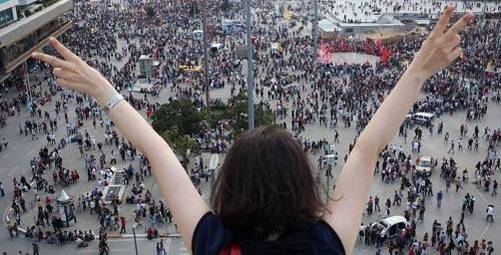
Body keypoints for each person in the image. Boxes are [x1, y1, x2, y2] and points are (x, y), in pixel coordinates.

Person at [32, 6, 474, 255]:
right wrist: (418, 70)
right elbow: (366, 150)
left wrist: (103, 89)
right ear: (302, 182)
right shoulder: (322, 245)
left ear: (230, 183)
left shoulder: (215, 244)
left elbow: (155, 149)